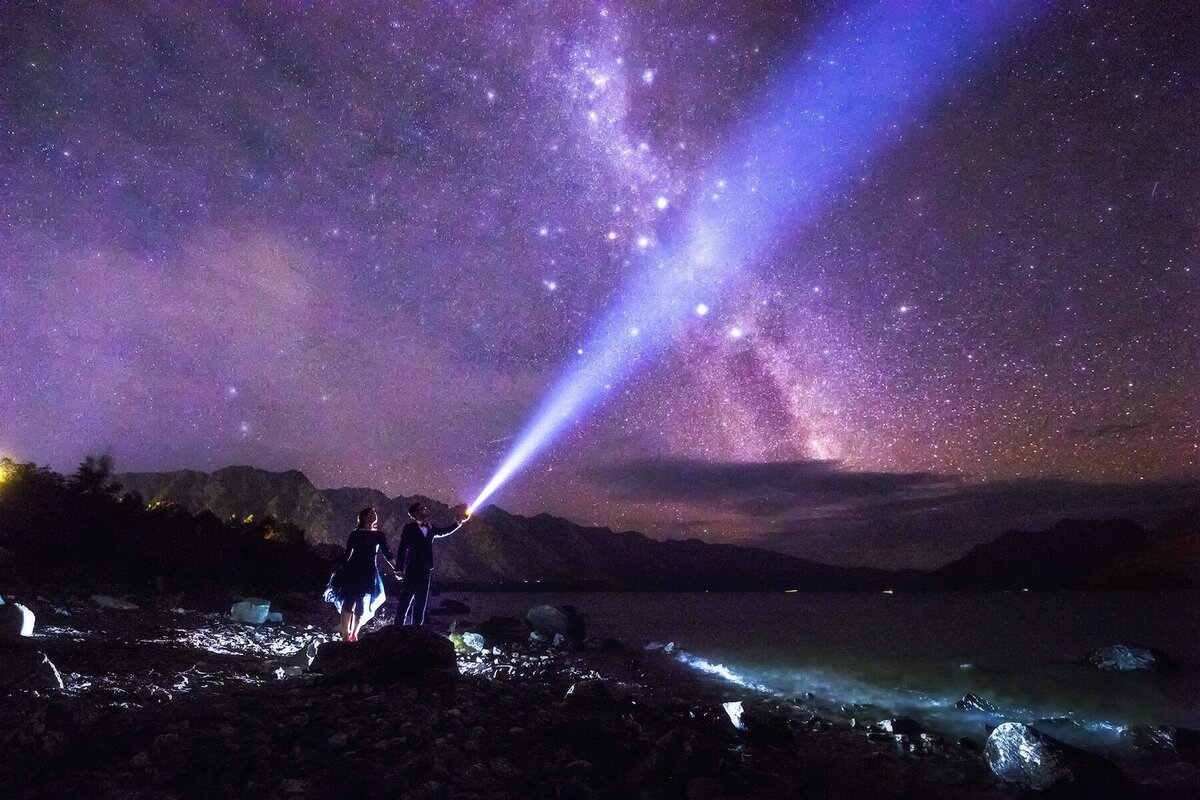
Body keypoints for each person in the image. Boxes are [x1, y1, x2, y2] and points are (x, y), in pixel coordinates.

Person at [324, 507, 395, 641]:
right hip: (353, 570)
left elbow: (387, 553)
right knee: (349, 601)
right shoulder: (355, 534)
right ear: (363, 517)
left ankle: (354, 633)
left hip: (368, 572)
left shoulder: (379, 535)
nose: (373, 515)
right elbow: (347, 554)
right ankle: (346, 634)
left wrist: (396, 568)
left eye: (374, 513)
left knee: (361, 603)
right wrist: (336, 565)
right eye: (369, 514)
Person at [396, 501, 469, 626]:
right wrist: (399, 568)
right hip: (412, 568)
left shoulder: (430, 528)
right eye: (422, 508)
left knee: (421, 602)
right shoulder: (409, 528)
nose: (426, 509)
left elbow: (445, 531)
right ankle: (396, 629)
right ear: (416, 513)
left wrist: (458, 523)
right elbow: (402, 547)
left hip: (425, 570)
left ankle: (416, 631)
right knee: (405, 600)